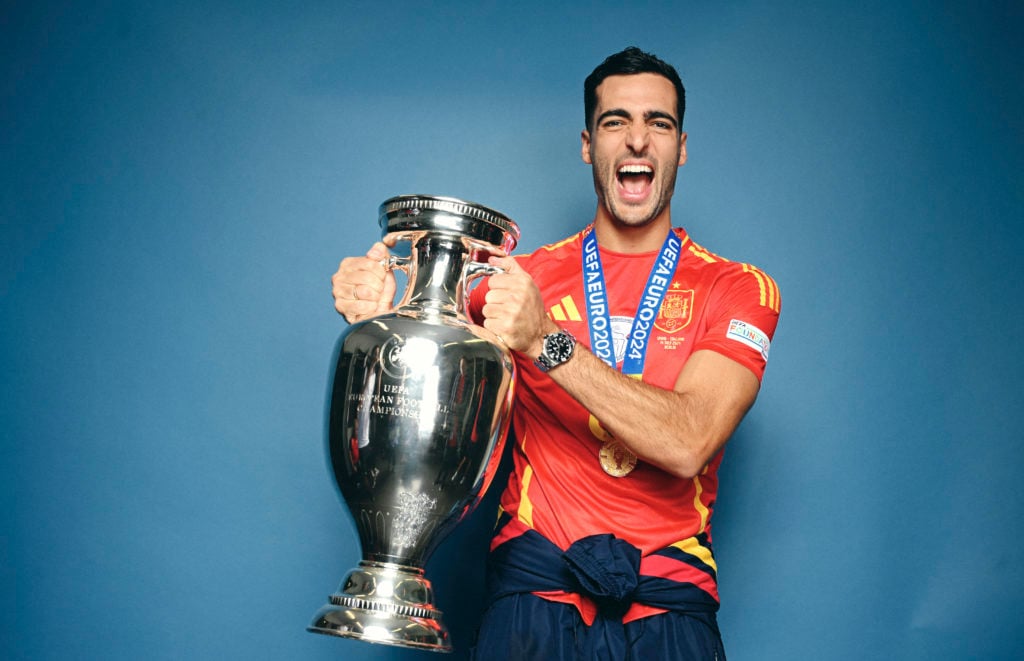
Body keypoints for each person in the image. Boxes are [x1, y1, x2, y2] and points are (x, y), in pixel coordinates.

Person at [331, 47, 780, 660]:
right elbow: (428, 408)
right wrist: (387, 318)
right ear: (588, 144)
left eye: (660, 123)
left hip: (668, 610)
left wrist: (545, 339)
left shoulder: (736, 288)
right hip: (532, 606)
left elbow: (690, 440)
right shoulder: (515, 282)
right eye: (616, 122)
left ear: (681, 146)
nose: (638, 141)